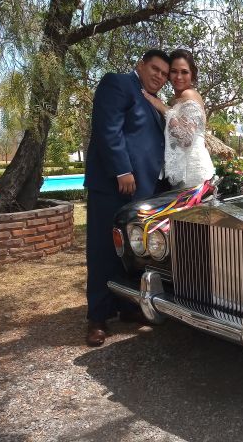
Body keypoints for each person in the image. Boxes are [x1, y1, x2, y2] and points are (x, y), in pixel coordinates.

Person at [83, 49, 171, 347]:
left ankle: (128, 307)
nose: (159, 76)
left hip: (143, 193)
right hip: (113, 186)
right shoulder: (118, 83)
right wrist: (122, 169)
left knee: (133, 252)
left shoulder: (148, 99)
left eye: (164, 73)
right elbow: (108, 128)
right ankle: (97, 318)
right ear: (140, 65)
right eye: (155, 69)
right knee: (103, 250)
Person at [141, 49, 215, 189]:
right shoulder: (174, 99)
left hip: (193, 174)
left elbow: (186, 138)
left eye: (184, 72)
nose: (179, 76)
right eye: (174, 71)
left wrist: (163, 108)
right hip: (180, 173)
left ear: (192, 75)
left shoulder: (190, 94)